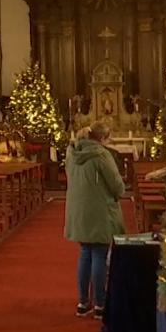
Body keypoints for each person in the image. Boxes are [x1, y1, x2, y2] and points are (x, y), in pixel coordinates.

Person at [64, 122, 125, 319]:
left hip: (79, 208)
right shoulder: (101, 155)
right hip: (99, 210)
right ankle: (100, 304)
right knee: (99, 254)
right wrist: (119, 192)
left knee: (85, 253)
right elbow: (115, 184)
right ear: (103, 138)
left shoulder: (72, 153)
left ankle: (83, 302)